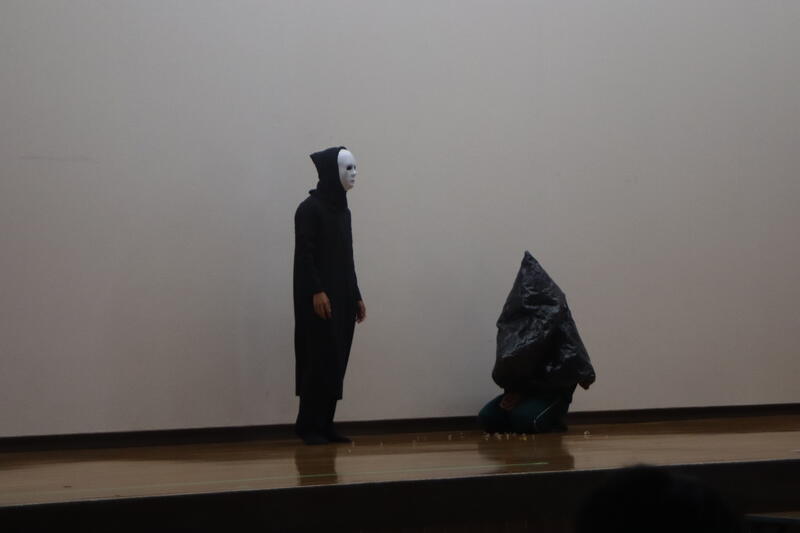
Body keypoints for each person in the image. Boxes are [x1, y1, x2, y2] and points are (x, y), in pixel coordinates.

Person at [293, 146, 366, 445]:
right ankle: (307, 425)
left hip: (342, 297)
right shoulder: (309, 209)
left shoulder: (343, 212)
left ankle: (325, 424)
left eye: (355, 167)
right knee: (317, 359)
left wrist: (356, 295)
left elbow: (347, 257)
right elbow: (305, 255)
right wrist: (317, 290)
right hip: (319, 300)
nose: (354, 174)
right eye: (348, 168)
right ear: (330, 173)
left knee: (336, 359)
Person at [478, 251, 595, 434]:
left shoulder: (558, 321)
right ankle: (523, 414)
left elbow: (572, 354)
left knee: (525, 420)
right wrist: (513, 391)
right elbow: (508, 364)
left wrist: (584, 376)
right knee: (488, 417)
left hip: (552, 390)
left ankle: (552, 421)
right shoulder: (513, 325)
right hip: (522, 390)